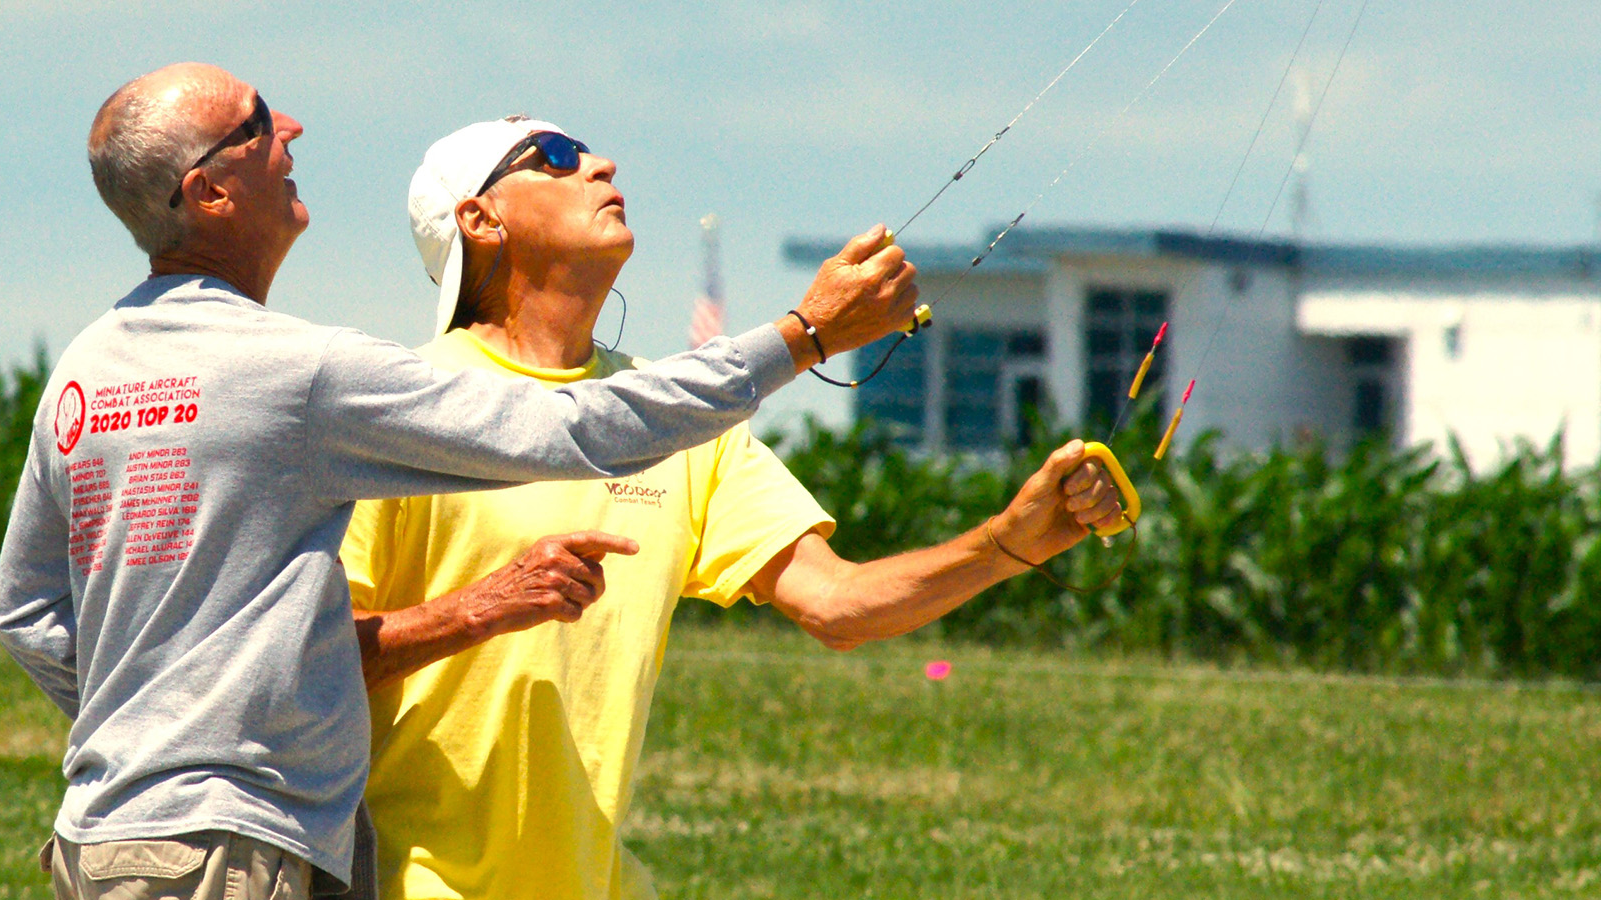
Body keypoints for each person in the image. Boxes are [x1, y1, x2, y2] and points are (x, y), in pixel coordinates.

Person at [0, 67, 920, 900]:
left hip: (103, 836)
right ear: (211, 192)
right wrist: (803, 334)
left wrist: (150, 726)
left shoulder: (88, 369)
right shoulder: (293, 370)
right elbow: (576, 427)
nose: (293, 130)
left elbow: (25, 614)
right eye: (258, 121)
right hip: (229, 852)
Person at [339, 116, 1124, 900]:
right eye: (554, 157)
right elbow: (303, 662)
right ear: (481, 220)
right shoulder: (400, 410)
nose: (600, 163)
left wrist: (1004, 544)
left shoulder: (679, 423)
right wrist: (483, 607)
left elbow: (839, 605)